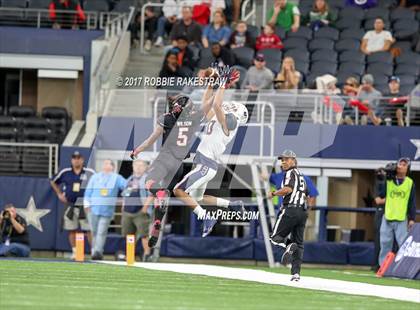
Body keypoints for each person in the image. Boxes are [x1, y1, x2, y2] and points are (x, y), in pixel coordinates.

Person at [129, 86, 215, 248]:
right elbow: (207, 105)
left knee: (149, 184)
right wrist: (218, 91)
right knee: (163, 198)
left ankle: (160, 197)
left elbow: (150, 140)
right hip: (179, 165)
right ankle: (157, 222)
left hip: (165, 159)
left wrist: (137, 150)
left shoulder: (167, 119)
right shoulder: (193, 118)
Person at [174, 70, 249, 237]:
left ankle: (206, 217)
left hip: (205, 164)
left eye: (233, 107)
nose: (229, 106)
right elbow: (206, 105)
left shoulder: (230, 123)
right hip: (205, 163)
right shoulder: (218, 118)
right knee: (198, 198)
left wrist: (222, 83)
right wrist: (211, 83)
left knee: (178, 190)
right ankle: (232, 205)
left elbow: (216, 105)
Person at [268, 150, 309, 282]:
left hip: (290, 210)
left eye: (286, 159)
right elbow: (306, 194)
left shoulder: (290, 173)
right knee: (299, 244)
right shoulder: (301, 175)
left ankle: (288, 246)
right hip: (302, 212)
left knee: (274, 238)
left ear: (293, 160)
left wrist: (274, 193)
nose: (283, 162)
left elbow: (288, 189)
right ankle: (296, 274)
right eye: (282, 160)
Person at [50, 151, 95, 260]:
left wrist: (92, 199)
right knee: (72, 229)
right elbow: (53, 181)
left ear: (82, 160)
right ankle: (75, 252)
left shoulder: (89, 172)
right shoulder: (65, 172)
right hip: (70, 205)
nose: (76, 160)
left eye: (78, 158)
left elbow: (98, 183)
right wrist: (59, 194)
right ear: (71, 160)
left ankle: (94, 251)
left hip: (85, 206)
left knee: (89, 229)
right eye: (74, 158)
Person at [375, 158, 416, 266]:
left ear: (408, 169)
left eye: (404, 165)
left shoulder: (410, 183)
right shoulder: (389, 181)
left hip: (401, 218)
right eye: (400, 164)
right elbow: (381, 194)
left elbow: (412, 202)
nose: (401, 166)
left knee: (403, 244)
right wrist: (383, 177)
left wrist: (412, 219)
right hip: (387, 216)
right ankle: (383, 267)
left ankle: (402, 267)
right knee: (385, 243)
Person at [84, 159, 127, 260]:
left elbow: (126, 186)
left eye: (108, 163)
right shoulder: (95, 177)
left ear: (113, 167)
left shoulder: (117, 178)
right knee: (93, 231)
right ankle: (94, 251)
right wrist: (86, 205)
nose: (106, 165)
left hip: (107, 210)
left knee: (101, 232)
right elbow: (88, 191)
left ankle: (98, 252)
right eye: (105, 163)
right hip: (93, 209)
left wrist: (125, 197)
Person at [121, 160, 154, 262]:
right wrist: (123, 205)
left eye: (141, 165)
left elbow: (152, 194)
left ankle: (147, 255)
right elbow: (125, 194)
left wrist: (145, 207)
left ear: (146, 167)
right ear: (133, 166)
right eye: (136, 165)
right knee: (129, 235)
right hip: (127, 211)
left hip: (140, 211)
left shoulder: (147, 179)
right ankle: (129, 255)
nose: (138, 167)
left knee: (144, 235)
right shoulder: (129, 179)